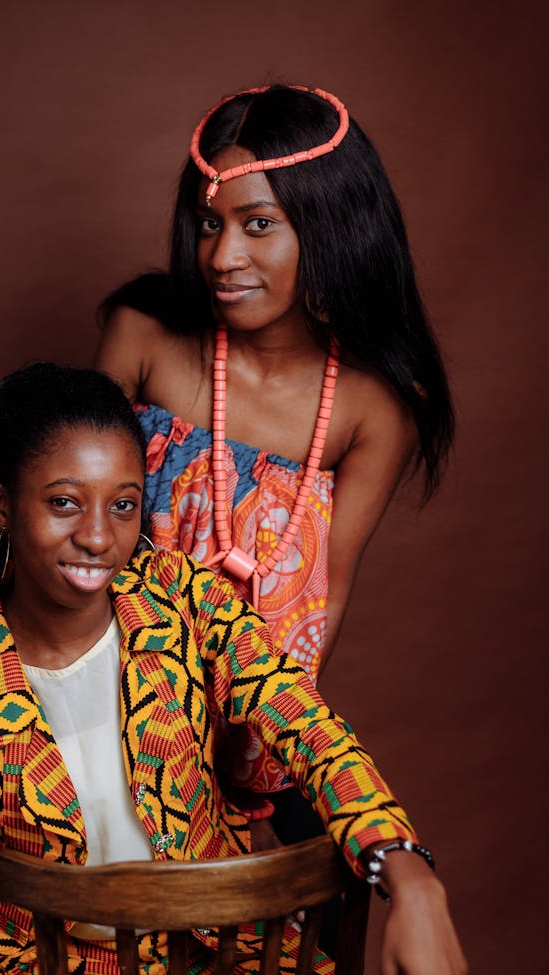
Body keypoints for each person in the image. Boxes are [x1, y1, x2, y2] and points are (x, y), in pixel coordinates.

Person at [0, 363, 507, 975]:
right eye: (63, 503)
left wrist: (406, 872)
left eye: (123, 505)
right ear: (1, 503)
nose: (96, 534)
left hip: (221, 955)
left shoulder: (185, 598)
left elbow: (304, 724)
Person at [95, 83, 454, 829]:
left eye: (258, 224)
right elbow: (64, 526)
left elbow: (323, 599)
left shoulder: (375, 406)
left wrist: (255, 763)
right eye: (208, 224)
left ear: (329, 231)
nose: (222, 258)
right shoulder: (143, 337)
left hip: (249, 737)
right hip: (94, 719)